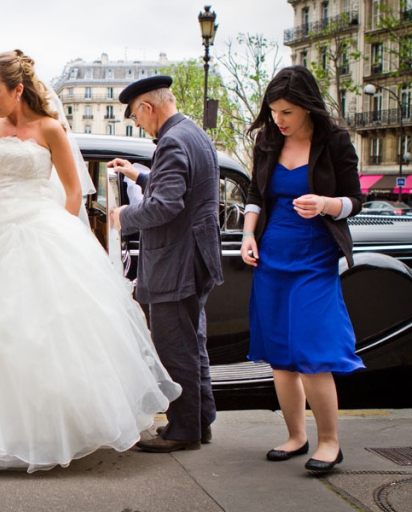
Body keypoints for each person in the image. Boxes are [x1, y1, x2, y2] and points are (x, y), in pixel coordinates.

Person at [0, 49, 181, 475]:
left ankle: (44, 434)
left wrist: (58, 232)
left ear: (17, 89)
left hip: (42, 230)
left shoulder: (51, 129)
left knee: (44, 335)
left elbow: (73, 192)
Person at [240, 65, 364, 472]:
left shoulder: (335, 142)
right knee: (280, 355)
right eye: (274, 111)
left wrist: (326, 204)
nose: (279, 119)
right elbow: (257, 194)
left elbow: (353, 201)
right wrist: (248, 235)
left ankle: (330, 442)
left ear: (308, 107)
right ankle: (296, 436)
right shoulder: (269, 140)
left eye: (287, 112)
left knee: (312, 352)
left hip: (315, 258)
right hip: (273, 254)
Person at [110, 75, 224, 453]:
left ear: (147, 106)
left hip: (176, 258)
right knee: (194, 342)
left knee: (175, 346)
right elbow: (178, 188)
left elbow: (165, 205)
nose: (139, 124)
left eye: (136, 117)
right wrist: (139, 173)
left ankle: (182, 430)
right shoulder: (192, 133)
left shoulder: (172, 141)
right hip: (196, 255)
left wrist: (124, 214)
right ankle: (198, 421)